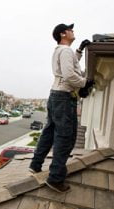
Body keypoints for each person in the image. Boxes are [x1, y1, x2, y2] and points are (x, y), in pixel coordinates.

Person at [29, 23, 93, 192]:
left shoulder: (61, 51)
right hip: (64, 98)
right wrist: (85, 83)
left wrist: (79, 51)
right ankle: (55, 178)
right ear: (63, 34)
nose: (73, 31)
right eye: (70, 29)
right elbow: (69, 74)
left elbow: (70, 66)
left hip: (55, 96)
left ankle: (35, 164)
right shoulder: (65, 51)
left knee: (49, 132)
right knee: (65, 137)